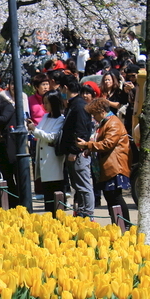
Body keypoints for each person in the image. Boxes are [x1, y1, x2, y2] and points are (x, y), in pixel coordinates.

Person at [79, 97, 131, 224]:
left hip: (115, 167)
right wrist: (89, 149)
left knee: (115, 198)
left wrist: (87, 145)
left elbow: (108, 144)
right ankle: (118, 224)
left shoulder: (113, 123)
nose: (93, 117)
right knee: (110, 198)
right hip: (108, 166)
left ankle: (125, 225)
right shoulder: (105, 123)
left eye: (94, 114)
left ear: (101, 111)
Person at [56, 78, 94, 218]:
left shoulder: (79, 106)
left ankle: (88, 213)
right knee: (77, 185)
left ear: (65, 88)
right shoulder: (72, 105)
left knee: (84, 185)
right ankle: (82, 211)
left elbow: (81, 131)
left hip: (78, 153)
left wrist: (74, 150)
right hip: (73, 152)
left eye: (61, 89)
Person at [28, 90, 66, 213]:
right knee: (47, 191)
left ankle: (58, 215)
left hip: (53, 158)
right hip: (43, 157)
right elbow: (39, 131)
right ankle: (50, 215)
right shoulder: (45, 116)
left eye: (47, 103)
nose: (44, 105)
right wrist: (33, 127)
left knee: (55, 189)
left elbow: (52, 137)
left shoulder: (60, 119)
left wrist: (35, 130)